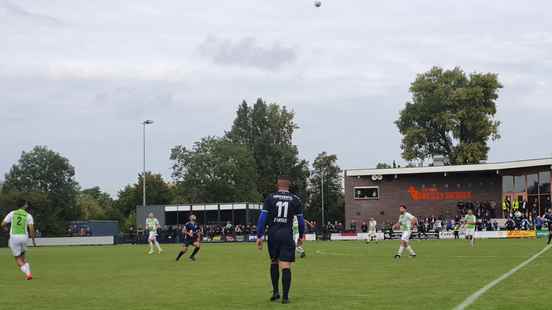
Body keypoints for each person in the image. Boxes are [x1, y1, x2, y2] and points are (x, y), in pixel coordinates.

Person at [256, 176, 305, 304]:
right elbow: (300, 221)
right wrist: (301, 236)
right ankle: (285, 297)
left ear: (277, 185)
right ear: (289, 185)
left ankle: (276, 292)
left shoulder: (270, 198)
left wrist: (259, 236)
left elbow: (262, 219)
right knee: (285, 266)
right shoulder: (296, 199)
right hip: (287, 234)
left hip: (273, 234)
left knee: (273, 262)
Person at [1, 200, 36, 280]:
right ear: (25, 206)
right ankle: (29, 273)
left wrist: (6, 229)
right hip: (24, 238)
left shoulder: (12, 213)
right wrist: (33, 240)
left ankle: (28, 274)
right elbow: (31, 229)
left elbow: (2, 224)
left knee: (17, 258)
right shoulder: (28, 215)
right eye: (26, 204)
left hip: (14, 238)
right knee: (23, 257)